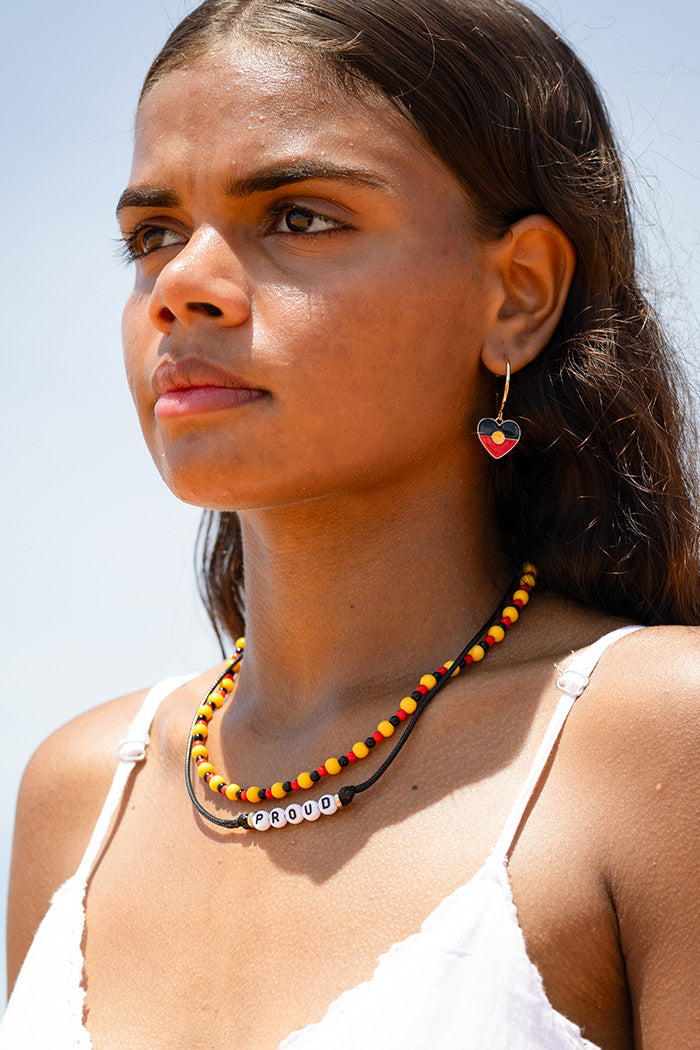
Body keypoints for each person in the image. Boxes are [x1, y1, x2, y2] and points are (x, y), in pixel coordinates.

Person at [3, 0, 700, 1046]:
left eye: (298, 217)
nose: (181, 286)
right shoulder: (85, 791)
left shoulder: (654, 741)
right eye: (152, 234)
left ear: (516, 293)